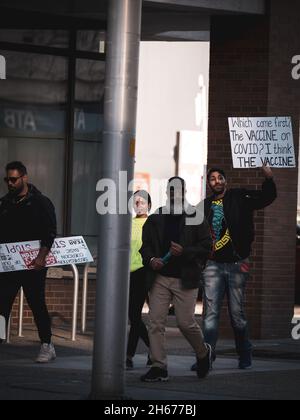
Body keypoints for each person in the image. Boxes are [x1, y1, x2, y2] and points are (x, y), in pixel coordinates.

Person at [196, 165, 277, 370]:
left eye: (220, 177)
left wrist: (268, 178)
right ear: (208, 183)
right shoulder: (203, 206)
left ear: (226, 180)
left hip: (237, 263)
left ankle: (244, 353)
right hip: (212, 265)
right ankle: (207, 358)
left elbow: (267, 198)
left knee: (237, 313)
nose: (216, 181)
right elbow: (194, 236)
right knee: (210, 315)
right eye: (212, 179)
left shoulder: (239, 197)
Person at [140, 177, 213, 382]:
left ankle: (202, 352)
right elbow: (145, 246)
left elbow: (207, 246)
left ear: (184, 192)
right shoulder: (157, 218)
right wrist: (152, 259)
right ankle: (159, 366)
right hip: (160, 278)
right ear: (167, 193)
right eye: (171, 190)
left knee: (185, 322)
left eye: (178, 190)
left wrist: (185, 251)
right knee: (155, 322)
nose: (175, 194)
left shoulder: (195, 216)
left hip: (185, 278)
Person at [0, 161, 57, 363]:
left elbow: (50, 232)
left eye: (13, 179)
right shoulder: (4, 203)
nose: (10, 183)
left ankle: (47, 344)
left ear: (24, 177)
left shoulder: (41, 202)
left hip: (34, 264)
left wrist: (41, 257)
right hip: (9, 265)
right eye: (7, 179)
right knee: (2, 305)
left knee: (36, 304)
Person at [126, 190, 152, 370]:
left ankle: (129, 355)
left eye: (142, 201)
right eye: (136, 201)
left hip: (143, 272)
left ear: (149, 205)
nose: (138, 204)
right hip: (125, 274)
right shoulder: (126, 224)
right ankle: (153, 350)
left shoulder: (152, 223)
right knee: (133, 316)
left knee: (134, 316)